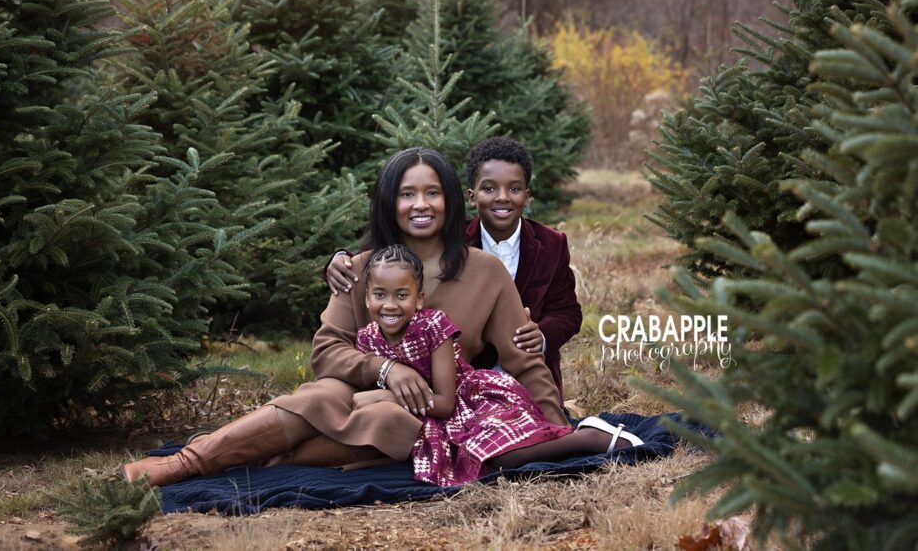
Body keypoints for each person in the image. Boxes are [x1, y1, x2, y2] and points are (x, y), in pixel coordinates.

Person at [121, 147, 568, 487]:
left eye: (432, 193)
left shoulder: (483, 271)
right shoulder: (358, 267)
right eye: (407, 193)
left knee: (391, 419)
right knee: (320, 398)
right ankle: (185, 464)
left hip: (424, 407)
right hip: (352, 385)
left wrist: (556, 429)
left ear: (451, 200)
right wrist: (385, 369)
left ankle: (275, 460)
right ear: (389, 202)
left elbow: (523, 358)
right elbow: (327, 350)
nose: (421, 204)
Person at [354, 244, 638, 487]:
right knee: (475, 461)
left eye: (401, 295)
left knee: (497, 457)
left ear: (419, 299)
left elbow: (445, 402)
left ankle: (590, 437)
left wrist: (389, 398)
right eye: (380, 295)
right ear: (367, 298)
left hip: (472, 402)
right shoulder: (367, 340)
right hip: (430, 421)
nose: (390, 305)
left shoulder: (433, 326)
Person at [326, 136, 582, 398]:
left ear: (527, 196)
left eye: (514, 189)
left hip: (519, 361)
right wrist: (339, 259)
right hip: (466, 370)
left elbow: (568, 312)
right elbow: (389, 258)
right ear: (471, 196)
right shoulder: (450, 235)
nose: (502, 198)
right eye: (490, 189)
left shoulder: (551, 243)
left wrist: (541, 336)